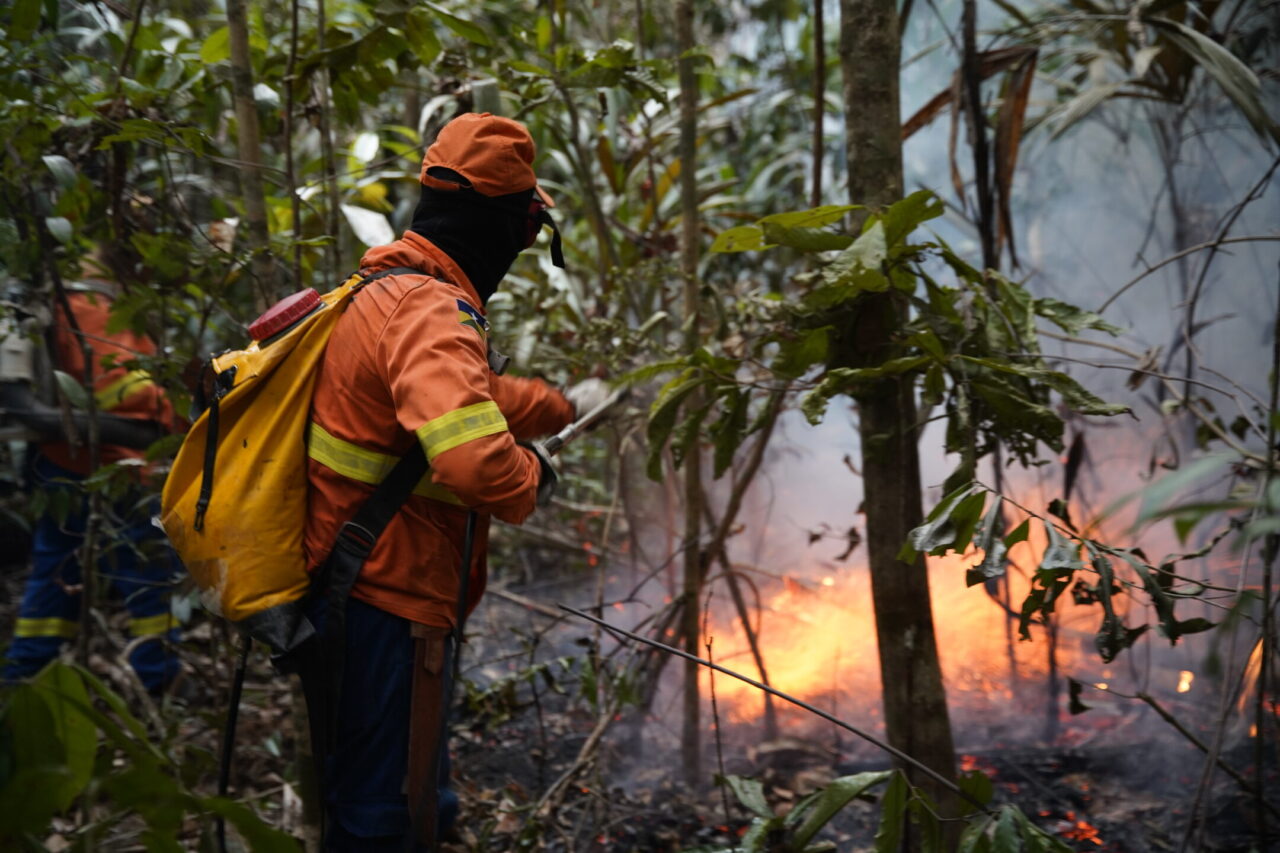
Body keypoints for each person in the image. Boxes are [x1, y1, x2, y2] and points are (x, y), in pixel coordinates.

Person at [300, 112, 607, 850]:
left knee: (391, 795)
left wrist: (560, 407)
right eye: (528, 230)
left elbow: (460, 398)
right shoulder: (433, 310)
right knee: (391, 815)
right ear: (504, 224)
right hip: (390, 598)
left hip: (356, 588)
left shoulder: (387, 289)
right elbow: (471, 457)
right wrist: (532, 476)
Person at [3, 272, 182, 695]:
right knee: (149, 580)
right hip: (120, 469)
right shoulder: (89, 308)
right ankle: (161, 686)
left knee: (54, 574)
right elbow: (137, 402)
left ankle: (22, 683)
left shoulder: (44, 303)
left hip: (57, 464)